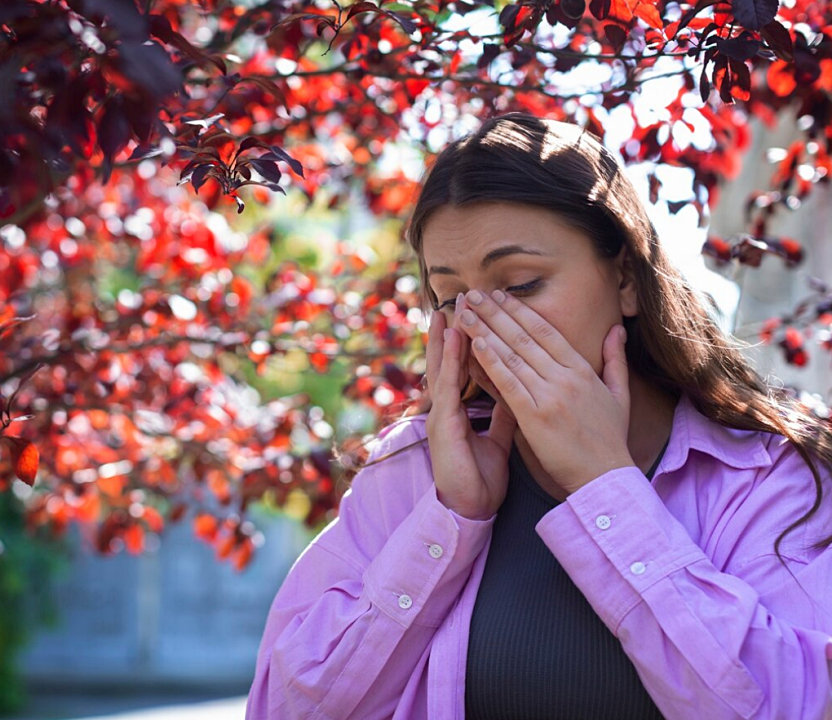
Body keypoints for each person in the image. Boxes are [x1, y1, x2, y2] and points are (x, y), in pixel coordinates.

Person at [244, 113, 832, 719]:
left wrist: (605, 487)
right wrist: (450, 519)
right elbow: (286, 708)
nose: (480, 322)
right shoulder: (412, 470)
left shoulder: (770, 476)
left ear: (626, 278)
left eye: (521, 285)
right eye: (450, 299)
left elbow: (792, 704)